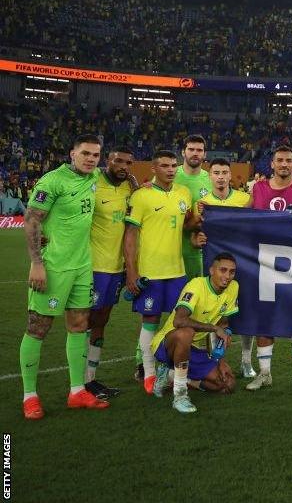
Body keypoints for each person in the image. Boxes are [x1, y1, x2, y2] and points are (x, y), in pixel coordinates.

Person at [21, 134, 109, 419]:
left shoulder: (95, 175)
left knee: (79, 324)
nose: (90, 159)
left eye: (95, 155)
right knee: (39, 326)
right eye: (85, 153)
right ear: (72, 153)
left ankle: (76, 391)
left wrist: (134, 181)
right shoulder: (52, 181)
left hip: (83, 265)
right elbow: (33, 219)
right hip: (54, 266)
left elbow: (114, 174)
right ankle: (30, 396)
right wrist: (36, 263)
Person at [246, 145, 292, 391]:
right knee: (264, 319)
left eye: (289, 160)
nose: (284, 164)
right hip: (264, 262)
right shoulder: (257, 189)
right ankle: (265, 373)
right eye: (280, 160)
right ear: (272, 164)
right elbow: (242, 221)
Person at [124, 150, 195, 395]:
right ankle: (149, 373)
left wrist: (200, 225)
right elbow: (130, 236)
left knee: (178, 323)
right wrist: (131, 272)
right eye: (165, 166)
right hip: (150, 273)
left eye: (174, 165)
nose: (171, 169)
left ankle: (170, 370)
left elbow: (189, 223)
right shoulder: (141, 196)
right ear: (154, 168)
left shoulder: (184, 193)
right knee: (150, 321)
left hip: (177, 271)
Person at [150, 253, 239, 413]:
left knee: (227, 385)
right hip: (167, 344)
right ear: (212, 270)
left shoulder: (233, 288)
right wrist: (214, 328)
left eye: (231, 272)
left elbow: (223, 325)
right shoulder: (196, 285)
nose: (227, 276)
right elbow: (179, 321)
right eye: (223, 270)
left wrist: (220, 360)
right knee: (186, 333)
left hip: (192, 349)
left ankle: (170, 374)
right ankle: (180, 395)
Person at [85, 145, 136, 400]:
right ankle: (80, 381)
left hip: (116, 268)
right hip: (93, 267)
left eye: (128, 163)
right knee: (84, 322)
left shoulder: (130, 186)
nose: (123, 167)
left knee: (101, 321)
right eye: (118, 161)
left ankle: (90, 380)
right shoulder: (92, 181)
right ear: (108, 161)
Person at [193, 158, 252, 376]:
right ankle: (214, 362)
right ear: (209, 176)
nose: (220, 176)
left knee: (246, 312)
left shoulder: (246, 200)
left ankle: (246, 361)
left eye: (224, 172)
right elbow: (193, 235)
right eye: (216, 172)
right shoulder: (202, 203)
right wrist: (196, 240)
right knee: (213, 314)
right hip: (214, 265)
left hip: (243, 263)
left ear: (230, 175)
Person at [174, 135, 213, 280]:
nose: (195, 153)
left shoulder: (210, 180)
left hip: (198, 252)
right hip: (170, 252)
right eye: (191, 149)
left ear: (205, 154)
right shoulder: (170, 175)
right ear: (183, 152)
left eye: (199, 150)